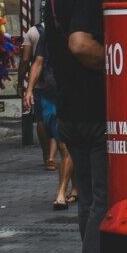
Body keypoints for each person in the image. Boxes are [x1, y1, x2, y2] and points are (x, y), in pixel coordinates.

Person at [45, 0, 114, 253]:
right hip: (94, 110)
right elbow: (80, 42)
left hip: (68, 111)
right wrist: (119, 62)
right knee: (103, 198)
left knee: (87, 198)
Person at [23, 25, 75, 211]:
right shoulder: (48, 35)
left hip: (70, 94)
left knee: (64, 145)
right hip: (49, 94)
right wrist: (29, 90)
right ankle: (75, 187)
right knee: (64, 144)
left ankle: (61, 192)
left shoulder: (77, 32)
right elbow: (38, 61)